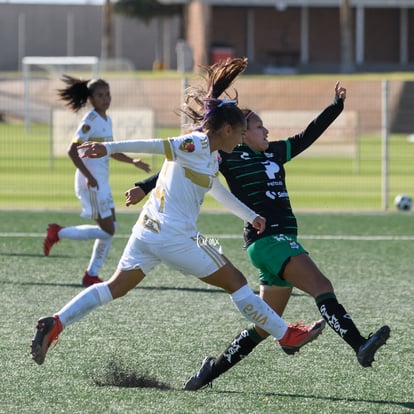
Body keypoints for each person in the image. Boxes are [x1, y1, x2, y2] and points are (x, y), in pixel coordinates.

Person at [30, 58, 323, 367]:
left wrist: (250, 216)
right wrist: (109, 148)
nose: (240, 141)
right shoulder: (195, 143)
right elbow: (158, 144)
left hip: (148, 231)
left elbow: (213, 188)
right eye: (238, 134)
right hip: (175, 236)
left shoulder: (210, 153)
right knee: (236, 281)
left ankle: (56, 322)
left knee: (115, 286)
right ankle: (285, 335)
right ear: (225, 130)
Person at [128, 81, 391, 391]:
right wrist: (145, 186)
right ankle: (359, 344)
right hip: (269, 240)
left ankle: (209, 372)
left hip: (276, 242)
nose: (266, 131)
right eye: (258, 126)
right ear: (242, 133)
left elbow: (306, 136)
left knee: (265, 325)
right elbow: (185, 161)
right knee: (321, 286)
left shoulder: (276, 152)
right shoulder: (230, 155)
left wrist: (335, 107)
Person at [43, 75, 151, 286]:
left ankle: (91, 274)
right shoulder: (90, 120)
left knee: (111, 228)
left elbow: (109, 151)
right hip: (91, 183)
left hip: (102, 182)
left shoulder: (106, 120)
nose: (105, 98)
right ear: (91, 98)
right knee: (108, 229)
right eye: (100, 95)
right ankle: (58, 232)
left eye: (108, 94)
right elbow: (72, 150)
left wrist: (133, 161)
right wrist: (89, 177)